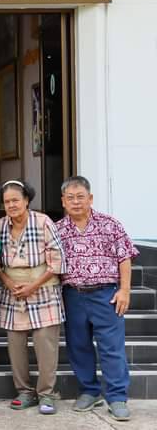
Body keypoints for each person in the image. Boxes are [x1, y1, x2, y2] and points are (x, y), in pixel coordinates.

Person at [56, 176, 139, 422]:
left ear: (90, 198)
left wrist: (125, 290)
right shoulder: (57, 230)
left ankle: (117, 397)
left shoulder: (110, 224)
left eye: (80, 196)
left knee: (112, 347)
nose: (76, 202)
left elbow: (125, 257)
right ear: (63, 201)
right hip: (73, 295)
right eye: (70, 198)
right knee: (78, 346)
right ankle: (89, 391)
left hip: (106, 294)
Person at [0, 180, 65, 415]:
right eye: (7, 202)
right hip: (13, 293)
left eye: (16, 200)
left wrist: (32, 286)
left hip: (43, 289)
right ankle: (24, 392)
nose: (11, 205)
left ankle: (47, 394)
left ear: (26, 200)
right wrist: (8, 283)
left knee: (46, 345)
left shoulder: (43, 222)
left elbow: (57, 261)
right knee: (15, 346)